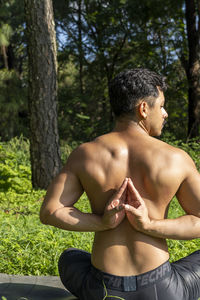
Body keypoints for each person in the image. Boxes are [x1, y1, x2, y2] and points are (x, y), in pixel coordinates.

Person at [40, 68, 200, 300]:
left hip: (101, 289)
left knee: (70, 257)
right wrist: (150, 226)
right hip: (161, 290)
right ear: (144, 108)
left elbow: (50, 212)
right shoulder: (176, 158)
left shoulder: (85, 154)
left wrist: (103, 223)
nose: (165, 113)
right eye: (162, 105)